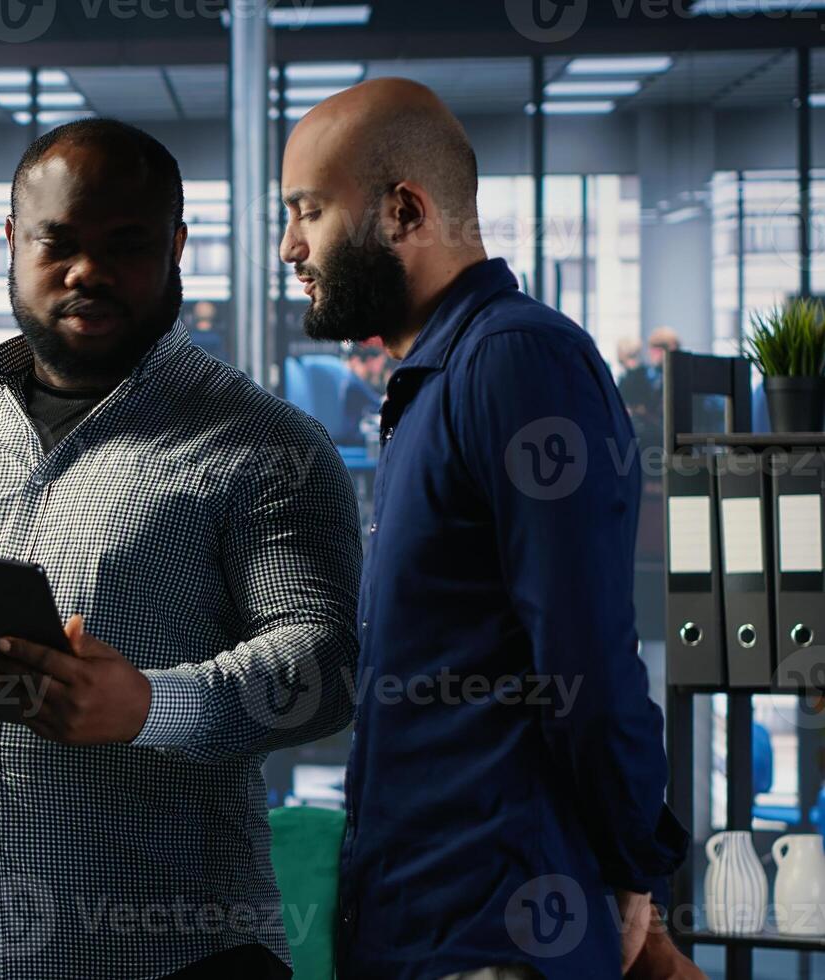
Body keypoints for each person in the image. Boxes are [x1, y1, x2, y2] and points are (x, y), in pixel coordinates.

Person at [0, 119, 361, 980]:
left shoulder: (265, 444)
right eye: (58, 242)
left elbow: (324, 664)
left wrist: (148, 706)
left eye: (125, 245)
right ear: (12, 242)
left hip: (180, 959)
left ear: (175, 247)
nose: (88, 272)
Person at [279, 77, 697, 979]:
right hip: (426, 924)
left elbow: (586, 661)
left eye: (308, 211)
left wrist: (634, 870)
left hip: (498, 935)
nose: (289, 247)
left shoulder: (514, 361)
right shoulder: (432, 383)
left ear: (401, 211)